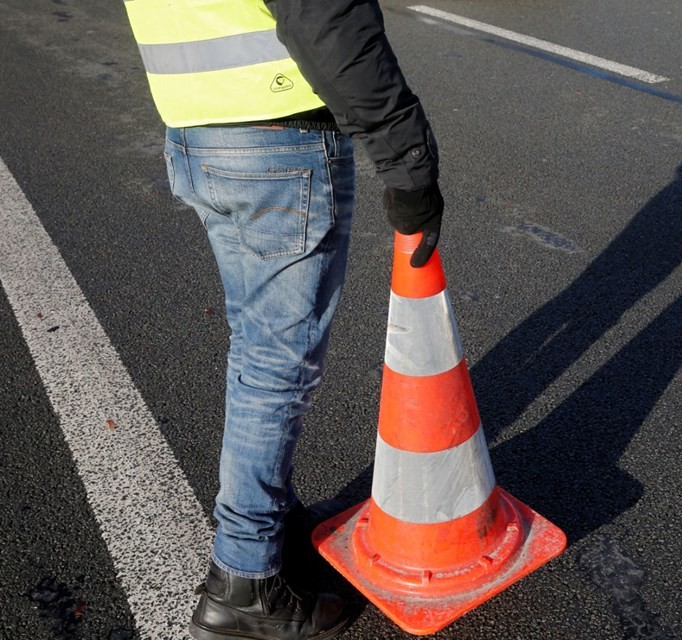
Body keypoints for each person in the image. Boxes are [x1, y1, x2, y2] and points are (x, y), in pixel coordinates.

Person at [123, 1, 444, 638]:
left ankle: (270, 521)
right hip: (277, 139)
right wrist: (407, 159)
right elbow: (324, 13)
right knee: (276, 367)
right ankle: (243, 581)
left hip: (195, 135)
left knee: (258, 350)